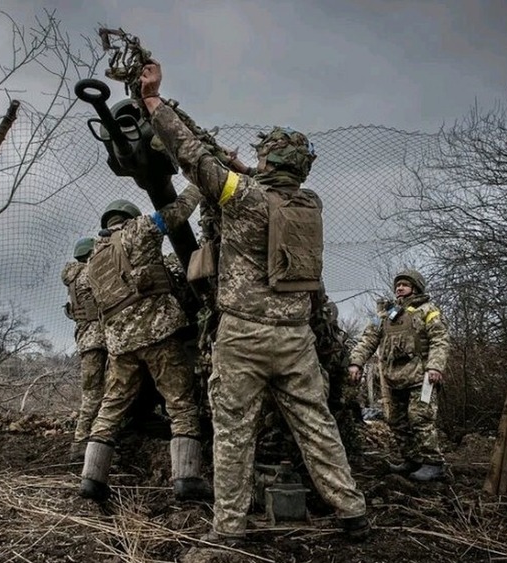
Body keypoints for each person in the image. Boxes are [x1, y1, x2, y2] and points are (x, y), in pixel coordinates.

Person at [139, 61, 370, 543]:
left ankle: (229, 530)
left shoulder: (242, 198)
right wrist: (249, 168)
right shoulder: (310, 204)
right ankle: (353, 513)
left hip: (243, 336)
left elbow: (190, 157)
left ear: (268, 164)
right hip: (295, 337)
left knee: (233, 433)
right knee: (317, 426)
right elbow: (264, 187)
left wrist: (154, 101)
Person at [79, 196, 212, 503]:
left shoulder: (93, 259)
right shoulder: (139, 229)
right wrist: (199, 181)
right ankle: (187, 478)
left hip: (119, 345)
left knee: (111, 407)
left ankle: (91, 478)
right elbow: (176, 212)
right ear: (129, 217)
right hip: (157, 334)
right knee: (180, 403)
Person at [348, 269, 451, 482]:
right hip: (394, 379)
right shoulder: (386, 315)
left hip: (421, 378)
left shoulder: (427, 311)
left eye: (404, 284)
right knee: (396, 421)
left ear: (415, 287)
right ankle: (412, 460)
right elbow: (368, 339)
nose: (399, 288)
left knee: (419, 418)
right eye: (397, 285)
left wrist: (435, 367)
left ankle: (434, 463)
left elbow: (440, 339)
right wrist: (356, 362)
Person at [62, 237, 108, 462]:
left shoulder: (72, 278)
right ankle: (82, 443)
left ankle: (82, 442)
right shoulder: (89, 274)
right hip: (99, 340)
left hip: (85, 341)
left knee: (92, 392)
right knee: (96, 395)